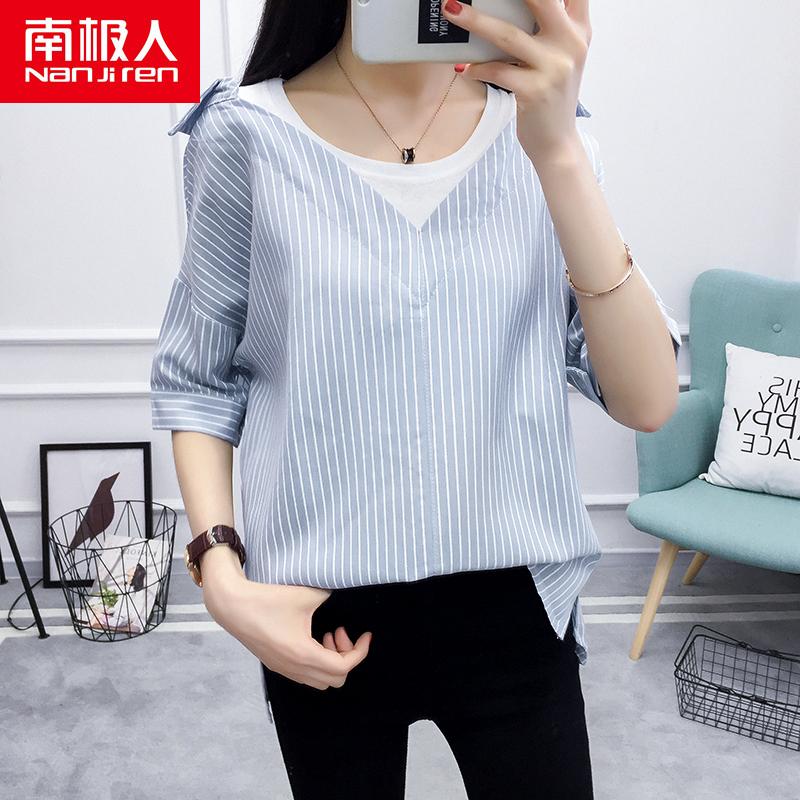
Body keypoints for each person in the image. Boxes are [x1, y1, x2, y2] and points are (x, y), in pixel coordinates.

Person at [150, 0, 682, 797]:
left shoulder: (545, 135)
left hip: (516, 601)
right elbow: (198, 378)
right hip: (318, 608)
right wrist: (221, 580)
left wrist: (559, 152)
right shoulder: (245, 135)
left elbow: (646, 401)